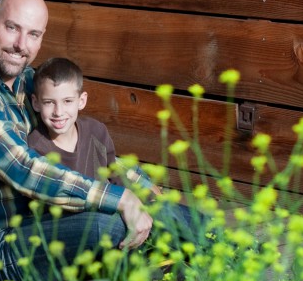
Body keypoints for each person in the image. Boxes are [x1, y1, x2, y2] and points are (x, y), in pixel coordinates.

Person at [0, 0, 152, 281]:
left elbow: (84, 146)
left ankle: (220, 249)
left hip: (34, 228)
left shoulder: (29, 82)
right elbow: (24, 169)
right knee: (105, 224)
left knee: (152, 207)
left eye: (34, 34)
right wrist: (120, 198)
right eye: (12, 28)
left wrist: (141, 188)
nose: (21, 45)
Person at [29, 57, 204, 241]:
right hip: (80, 227)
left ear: (81, 100)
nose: (58, 112)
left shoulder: (95, 131)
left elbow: (114, 174)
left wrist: (141, 200)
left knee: (162, 209)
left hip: (115, 207)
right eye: (49, 102)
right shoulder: (35, 148)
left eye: (67, 101)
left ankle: (219, 242)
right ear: (36, 103)